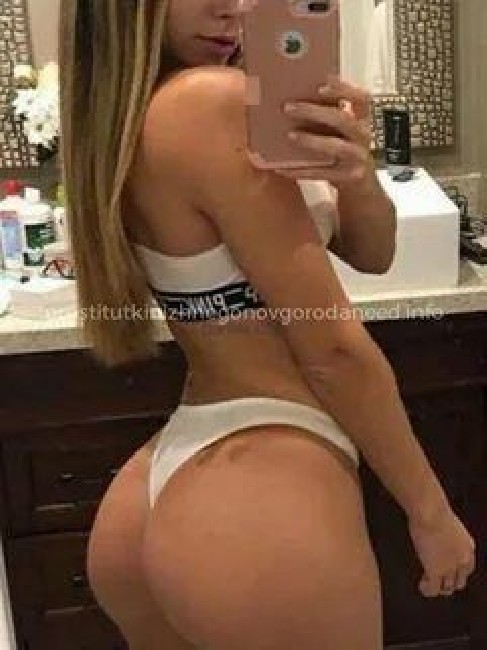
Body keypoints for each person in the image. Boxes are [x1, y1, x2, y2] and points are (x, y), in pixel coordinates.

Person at [59, 1, 475, 648]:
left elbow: (372, 254)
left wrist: (356, 175)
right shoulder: (209, 103)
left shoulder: (140, 114)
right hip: (262, 492)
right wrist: (429, 511)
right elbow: (332, 352)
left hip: (169, 484)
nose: (232, 6)